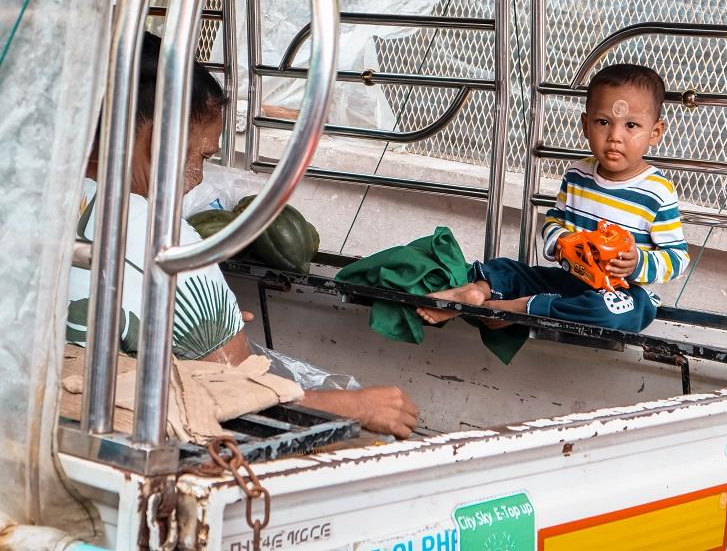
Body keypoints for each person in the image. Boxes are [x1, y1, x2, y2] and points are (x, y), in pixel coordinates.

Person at [68, 32, 419, 438]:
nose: (196, 179)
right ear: (162, 138)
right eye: (200, 156)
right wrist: (358, 407)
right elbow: (244, 399)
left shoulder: (27, 208)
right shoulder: (172, 250)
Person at [417, 64, 690, 333]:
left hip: (619, 292)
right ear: (585, 124)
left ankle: (524, 308)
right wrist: (562, 242)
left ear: (654, 133)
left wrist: (637, 263)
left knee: (610, 312)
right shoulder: (577, 174)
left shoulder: (657, 191)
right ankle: (476, 291)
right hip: (569, 279)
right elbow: (553, 222)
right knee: (508, 269)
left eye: (631, 125)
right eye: (603, 122)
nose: (615, 137)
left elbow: (677, 258)